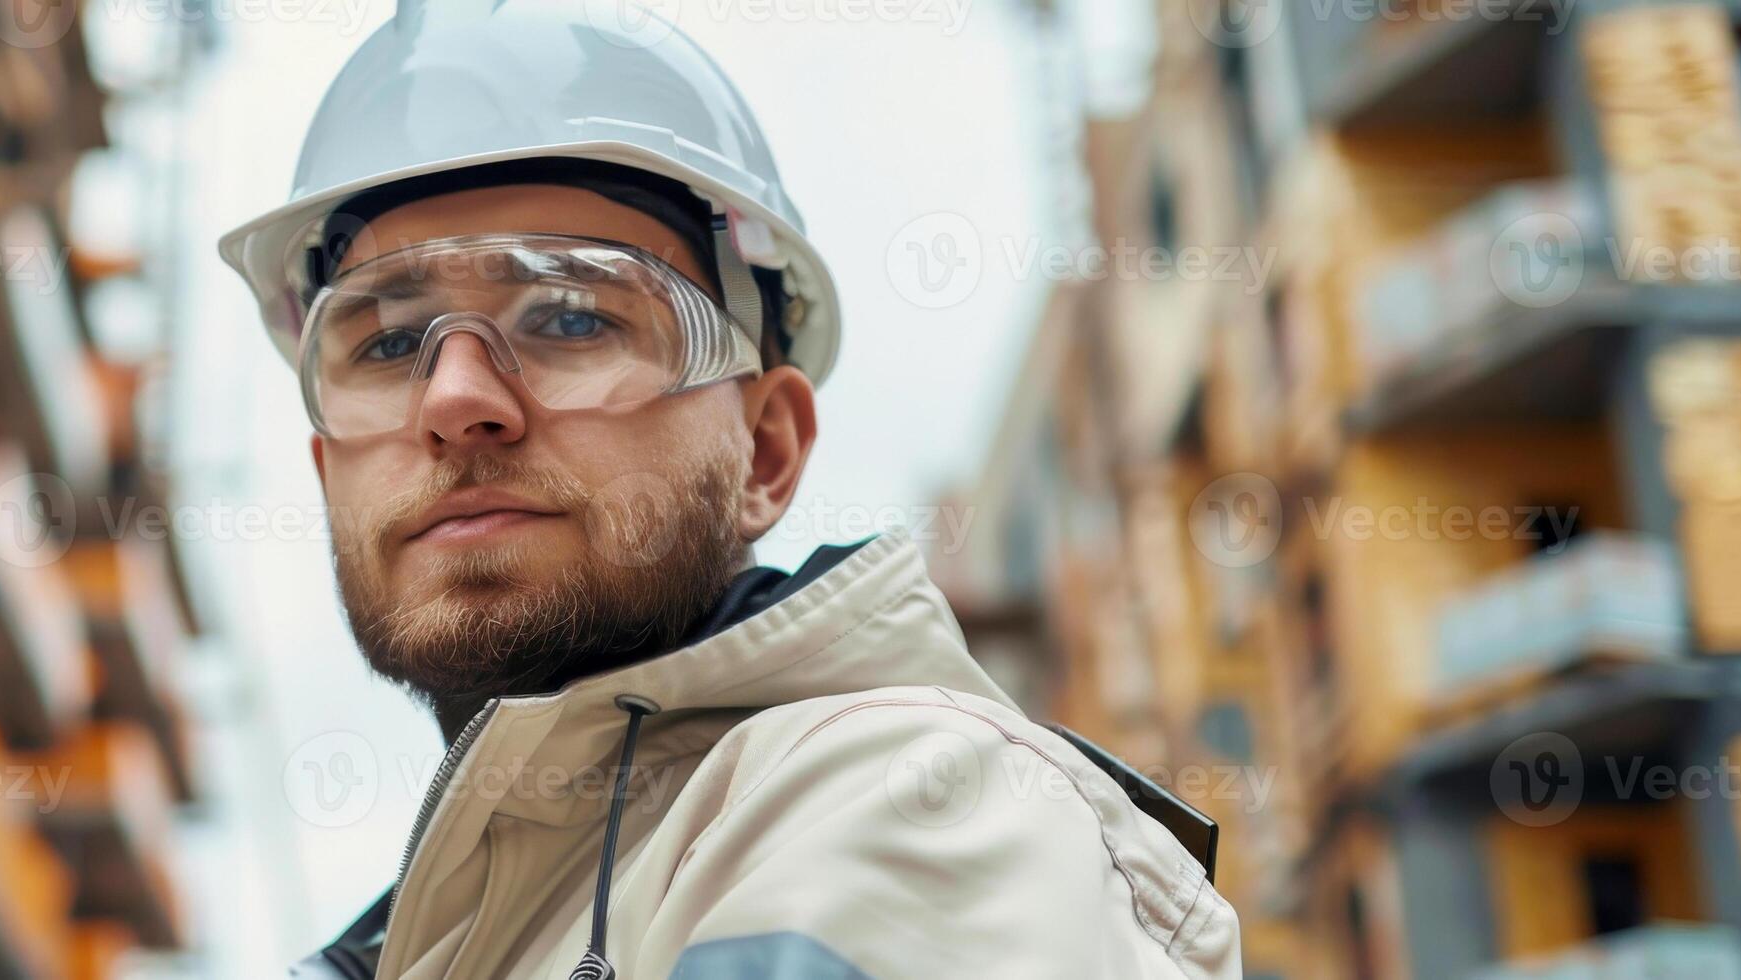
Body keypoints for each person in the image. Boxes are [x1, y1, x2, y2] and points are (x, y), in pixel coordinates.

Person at [218, 4, 1242, 977]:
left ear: (765, 452)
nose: (455, 399)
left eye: (571, 316)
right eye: (389, 341)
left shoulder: (916, 803)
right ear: (325, 471)